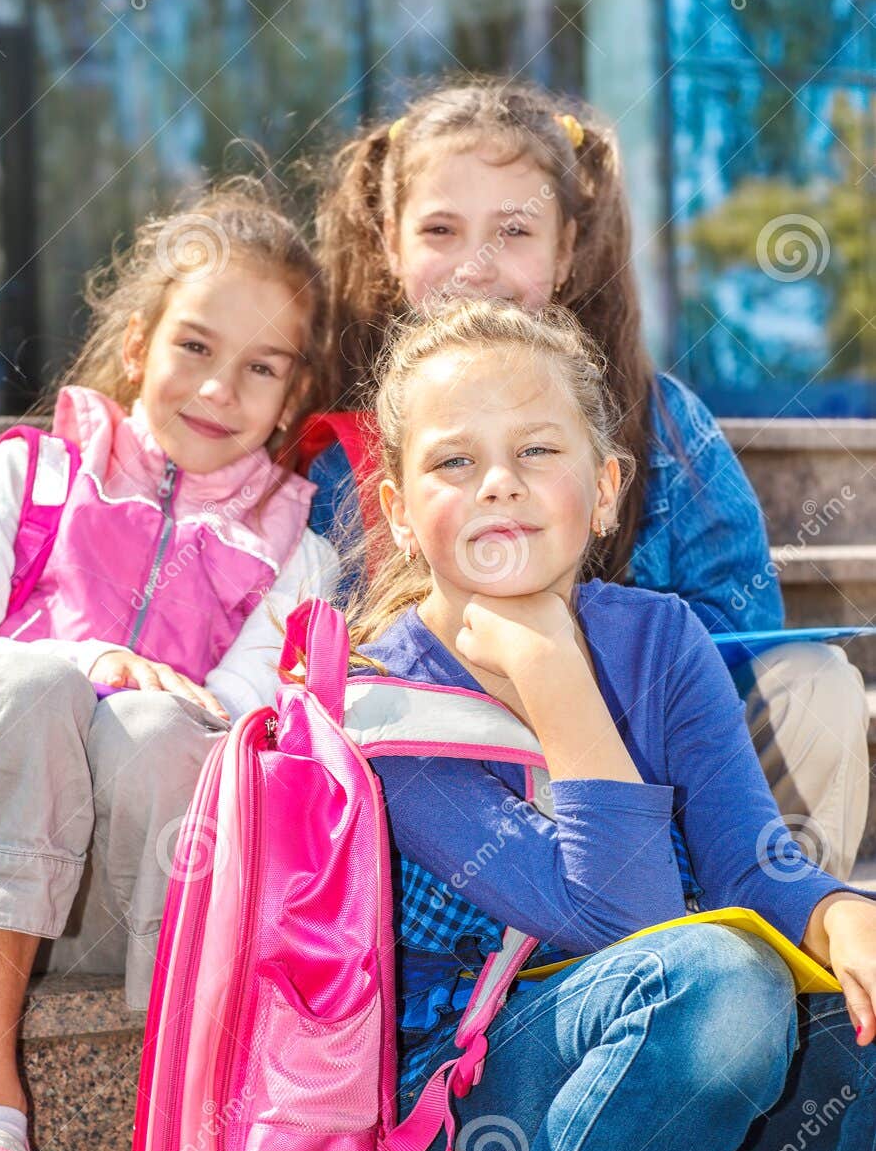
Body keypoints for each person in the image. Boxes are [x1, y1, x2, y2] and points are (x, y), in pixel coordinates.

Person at [346, 296, 875, 1151]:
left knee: (796, 971)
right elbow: (620, 926)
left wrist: (843, 912)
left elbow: (749, 863)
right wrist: (545, 669)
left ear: (604, 485)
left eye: (537, 450)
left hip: (676, 1124)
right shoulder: (383, 703)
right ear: (394, 509)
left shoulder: (659, 636)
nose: (498, 483)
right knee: (717, 977)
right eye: (453, 460)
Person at [0, 183, 339, 1151]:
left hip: (127, 902)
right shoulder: (30, 472)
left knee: (168, 733)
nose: (219, 387)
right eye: (194, 345)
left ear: (291, 395)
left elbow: (241, 732)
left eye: (261, 367)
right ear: (137, 346)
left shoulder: (299, 550)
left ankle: (178, 1103)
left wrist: (133, 695)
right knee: (31, 686)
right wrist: (92, 657)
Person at [308, 78, 868, 882]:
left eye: (513, 230)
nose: (476, 264)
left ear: (566, 249)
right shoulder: (354, 453)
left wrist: (577, 663)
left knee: (813, 686)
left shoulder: (659, 421)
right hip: (467, 785)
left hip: (663, 754)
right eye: (440, 228)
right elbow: (339, 660)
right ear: (390, 245)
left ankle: (784, 932)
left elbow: (739, 613)